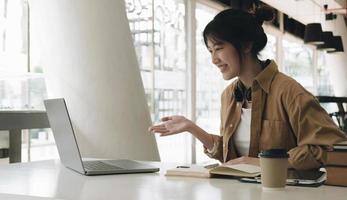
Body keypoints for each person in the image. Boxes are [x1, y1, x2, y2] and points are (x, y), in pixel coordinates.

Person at [148, 7, 347, 170]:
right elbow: (232, 158)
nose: (213, 59)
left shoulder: (290, 92)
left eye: (219, 48)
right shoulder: (229, 95)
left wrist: (263, 163)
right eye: (210, 51)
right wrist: (191, 128)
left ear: (246, 45)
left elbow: (334, 148)